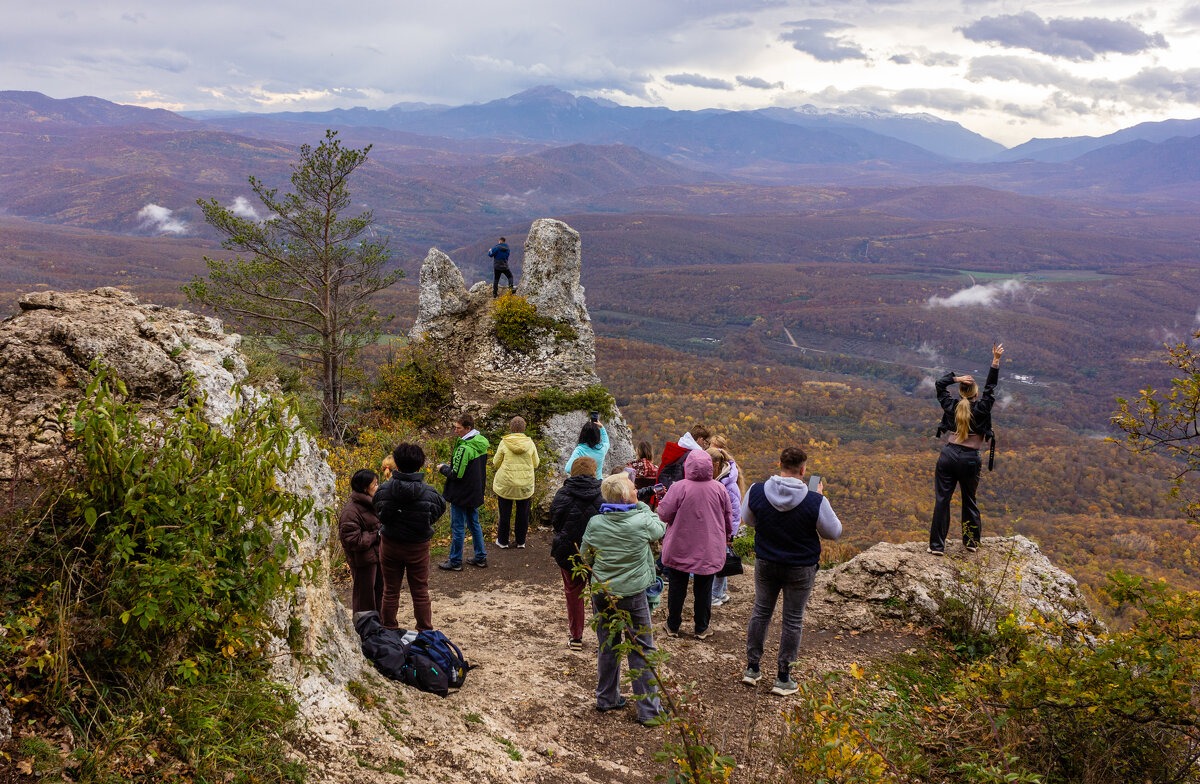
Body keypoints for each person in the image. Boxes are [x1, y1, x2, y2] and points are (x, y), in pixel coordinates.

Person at [741, 446, 842, 696]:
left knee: (761, 612)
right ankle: (783, 677)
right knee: (793, 620)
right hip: (800, 567)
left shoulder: (756, 490)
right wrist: (819, 498)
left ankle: (752, 668)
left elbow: (749, 519)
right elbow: (834, 532)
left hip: (766, 561)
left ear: (780, 465)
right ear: (803, 470)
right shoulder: (814, 499)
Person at [579, 473, 667, 726]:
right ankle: (649, 711)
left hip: (603, 593)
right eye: (633, 489)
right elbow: (660, 528)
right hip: (633, 594)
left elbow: (585, 558)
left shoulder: (596, 523)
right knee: (642, 647)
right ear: (627, 498)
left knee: (608, 643)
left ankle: (606, 698)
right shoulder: (640, 519)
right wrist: (641, 505)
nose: (637, 491)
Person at [930, 343, 1005, 556]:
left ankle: (937, 546)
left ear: (962, 391)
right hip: (970, 459)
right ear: (975, 393)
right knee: (969, 499)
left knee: (942, 500)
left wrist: (956, 378)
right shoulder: (981, 408)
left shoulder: (951, 406)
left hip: (948, 455)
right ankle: (971, 542)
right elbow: (991, 388)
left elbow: (939, 385)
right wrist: (995, 361)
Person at [656, 448, 733, 640]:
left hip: (679, 547)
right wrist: (728, 536)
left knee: (677, 587)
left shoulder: (679, 488)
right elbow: (727, 518)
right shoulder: (719, 489)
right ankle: (701, 628)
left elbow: (664, 514)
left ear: (687, 466)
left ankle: (673, 626)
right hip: (708, 548)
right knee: (704, 588)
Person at [373, 443, 446, 630]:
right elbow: (438, 512)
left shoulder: (383, 490)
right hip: (418, 546)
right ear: (420, 466)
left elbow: (378, 511)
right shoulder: (431, 494)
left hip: (390, 545)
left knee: (390, 591)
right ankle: (425, 631)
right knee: (420, 592)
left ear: (396, 464)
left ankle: (388, 630)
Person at [548, 456, 603, 650]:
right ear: (593, 472)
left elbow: (555, 520)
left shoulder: (563, 493)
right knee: (599, 593)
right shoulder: (602, 494)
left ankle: (576, 637)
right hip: (597, 553)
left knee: (573, 594)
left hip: (569, 551)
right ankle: (603, 636)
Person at [437, 413, 490, 570]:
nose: (455, 431)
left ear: (468, 428)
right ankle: (481, 557)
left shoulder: (464, 448)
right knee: (474, 524)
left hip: (461, 494)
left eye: (458, 428)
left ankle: (455, 561)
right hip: (475, 491)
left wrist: (443, 468)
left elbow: (456, 474)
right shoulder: (481, 443)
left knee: (458, 527)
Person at [338, 469, 383, 614]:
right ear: (364, 488)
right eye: (374, 484)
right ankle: (364, 629)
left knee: (380, 595)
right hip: (363, 561)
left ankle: (380, 629)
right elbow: (352, 540)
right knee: (365, 598)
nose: (378, 487)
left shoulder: (372, 504)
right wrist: (377, 535)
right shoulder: (351, 512)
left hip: (377, 557)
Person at [492, 416, 540, 549]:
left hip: (506, 483)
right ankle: (520, 541)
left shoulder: (504, 443)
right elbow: (536, 464)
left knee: (505, 513)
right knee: (523, 514)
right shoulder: (530, 443)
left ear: (510, 427)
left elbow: (495, 463)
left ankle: (502, 541)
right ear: (524, 428)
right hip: (525, 484)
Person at [706, 444, 743, 608]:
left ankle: (715, 594)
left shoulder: (728, 485)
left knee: (719, 561)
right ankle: (721, 591)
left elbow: (735, 513)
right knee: (721, 559)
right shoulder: (721, 480)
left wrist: (731, 535)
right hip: (717, 528)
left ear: (715, 465)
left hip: (722, 529)